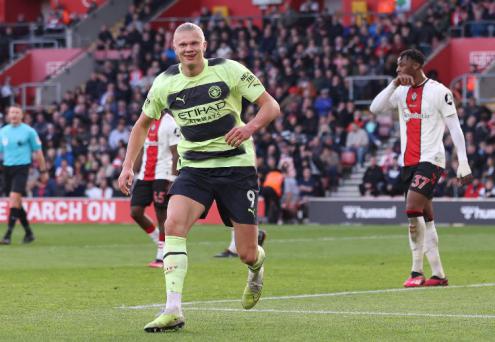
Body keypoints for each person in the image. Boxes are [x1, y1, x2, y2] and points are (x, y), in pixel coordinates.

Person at [118, 22, 280, 332]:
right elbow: (141, 125)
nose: (189, 49)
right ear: (174, 48)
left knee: (246, 253)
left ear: (204, 45)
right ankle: (173, 309)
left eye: (194, 43)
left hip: (236, 167)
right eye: (183, 45)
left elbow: (270, 105)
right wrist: (128, 166)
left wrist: (249, 128)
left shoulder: (229, 70)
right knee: (174, 225)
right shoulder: (165, 83)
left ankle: (257, 268)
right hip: (194, 168)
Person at [370, 49, 472, 287]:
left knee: (412, 208)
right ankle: (438, 274)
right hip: (408, 162)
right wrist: (394, 83)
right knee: (426, 219)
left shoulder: (439, 91)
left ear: (415, 65)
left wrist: (463, 162)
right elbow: (375, 108)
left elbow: (455, 129)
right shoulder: (400, 91)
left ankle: (416, 272)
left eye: (401, 65)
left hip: (431, 160)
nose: (398, 69)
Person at [130, 113, 179, 267]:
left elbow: (176, 153)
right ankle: (159, 239)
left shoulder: (170, 123)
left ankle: (162, 256)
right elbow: (141, 148)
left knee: (161, 214)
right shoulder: (146, 120)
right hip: (145, 174)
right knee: (135, 211)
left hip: (163, 174)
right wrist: (132, 171)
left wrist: (173, 178)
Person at [0, 105, 48, 244]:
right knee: (16, 202)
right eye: (12, 112)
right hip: (7, 169)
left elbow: (38, 152)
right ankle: (28, 233)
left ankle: (7, 235)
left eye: (17, 112)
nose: (14, 115)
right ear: (8, 115)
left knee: (14, 198)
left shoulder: (29, 131)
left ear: (22, 115)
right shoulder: (3, 131)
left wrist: (43, 171)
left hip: (22, 168)